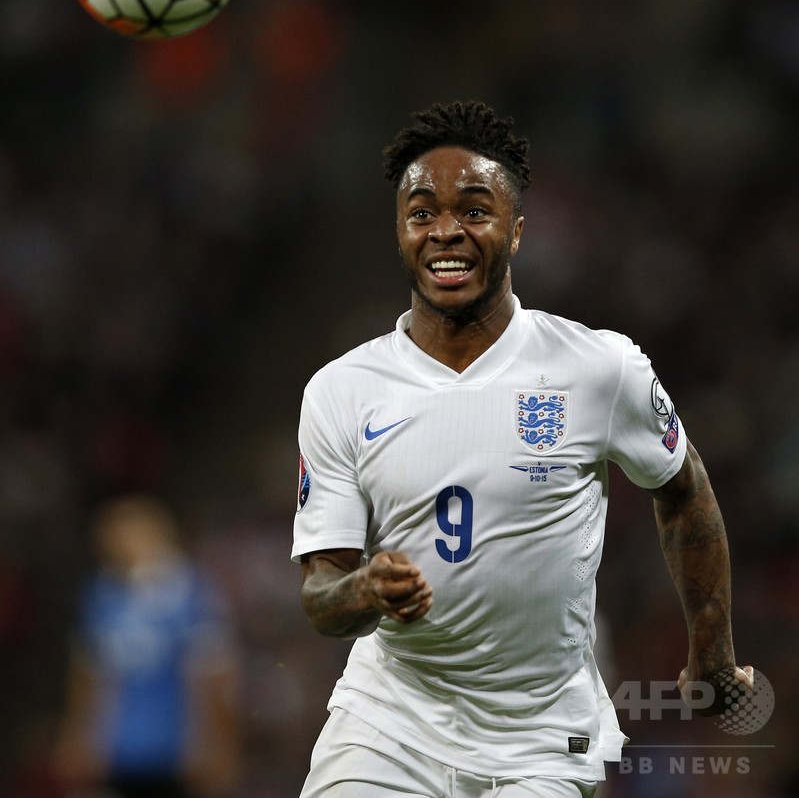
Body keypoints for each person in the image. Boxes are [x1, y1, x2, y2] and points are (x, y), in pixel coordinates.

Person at [291, 100, 752, 798]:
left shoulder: (597, 368)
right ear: (400, 232)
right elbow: (322, 595)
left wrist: (712, 654)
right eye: (422, 213)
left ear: (516, 230)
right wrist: (364, 590)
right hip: (389, 723)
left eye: (474, 211)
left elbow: (683, 490)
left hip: (542, 739)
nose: (446, 231)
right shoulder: (341, 390)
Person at [52, 495, 241, 798]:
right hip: (117, 749)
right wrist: (78, 735)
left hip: (176, 751)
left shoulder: (192, 591)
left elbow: (215, 675)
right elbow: (88, 672)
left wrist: (219, 743)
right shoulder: (102, 592)